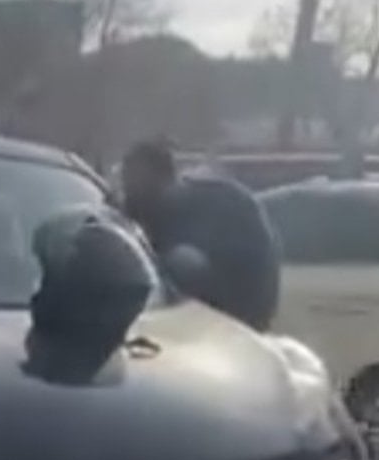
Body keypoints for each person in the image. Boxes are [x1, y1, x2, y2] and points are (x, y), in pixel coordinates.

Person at [119, 140, 281, 332]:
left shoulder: (214, 207)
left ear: (163, 179)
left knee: (180, 262)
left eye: (136, 183)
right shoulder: (154, 209)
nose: (130, 194)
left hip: (239, 312)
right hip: (227, 306)